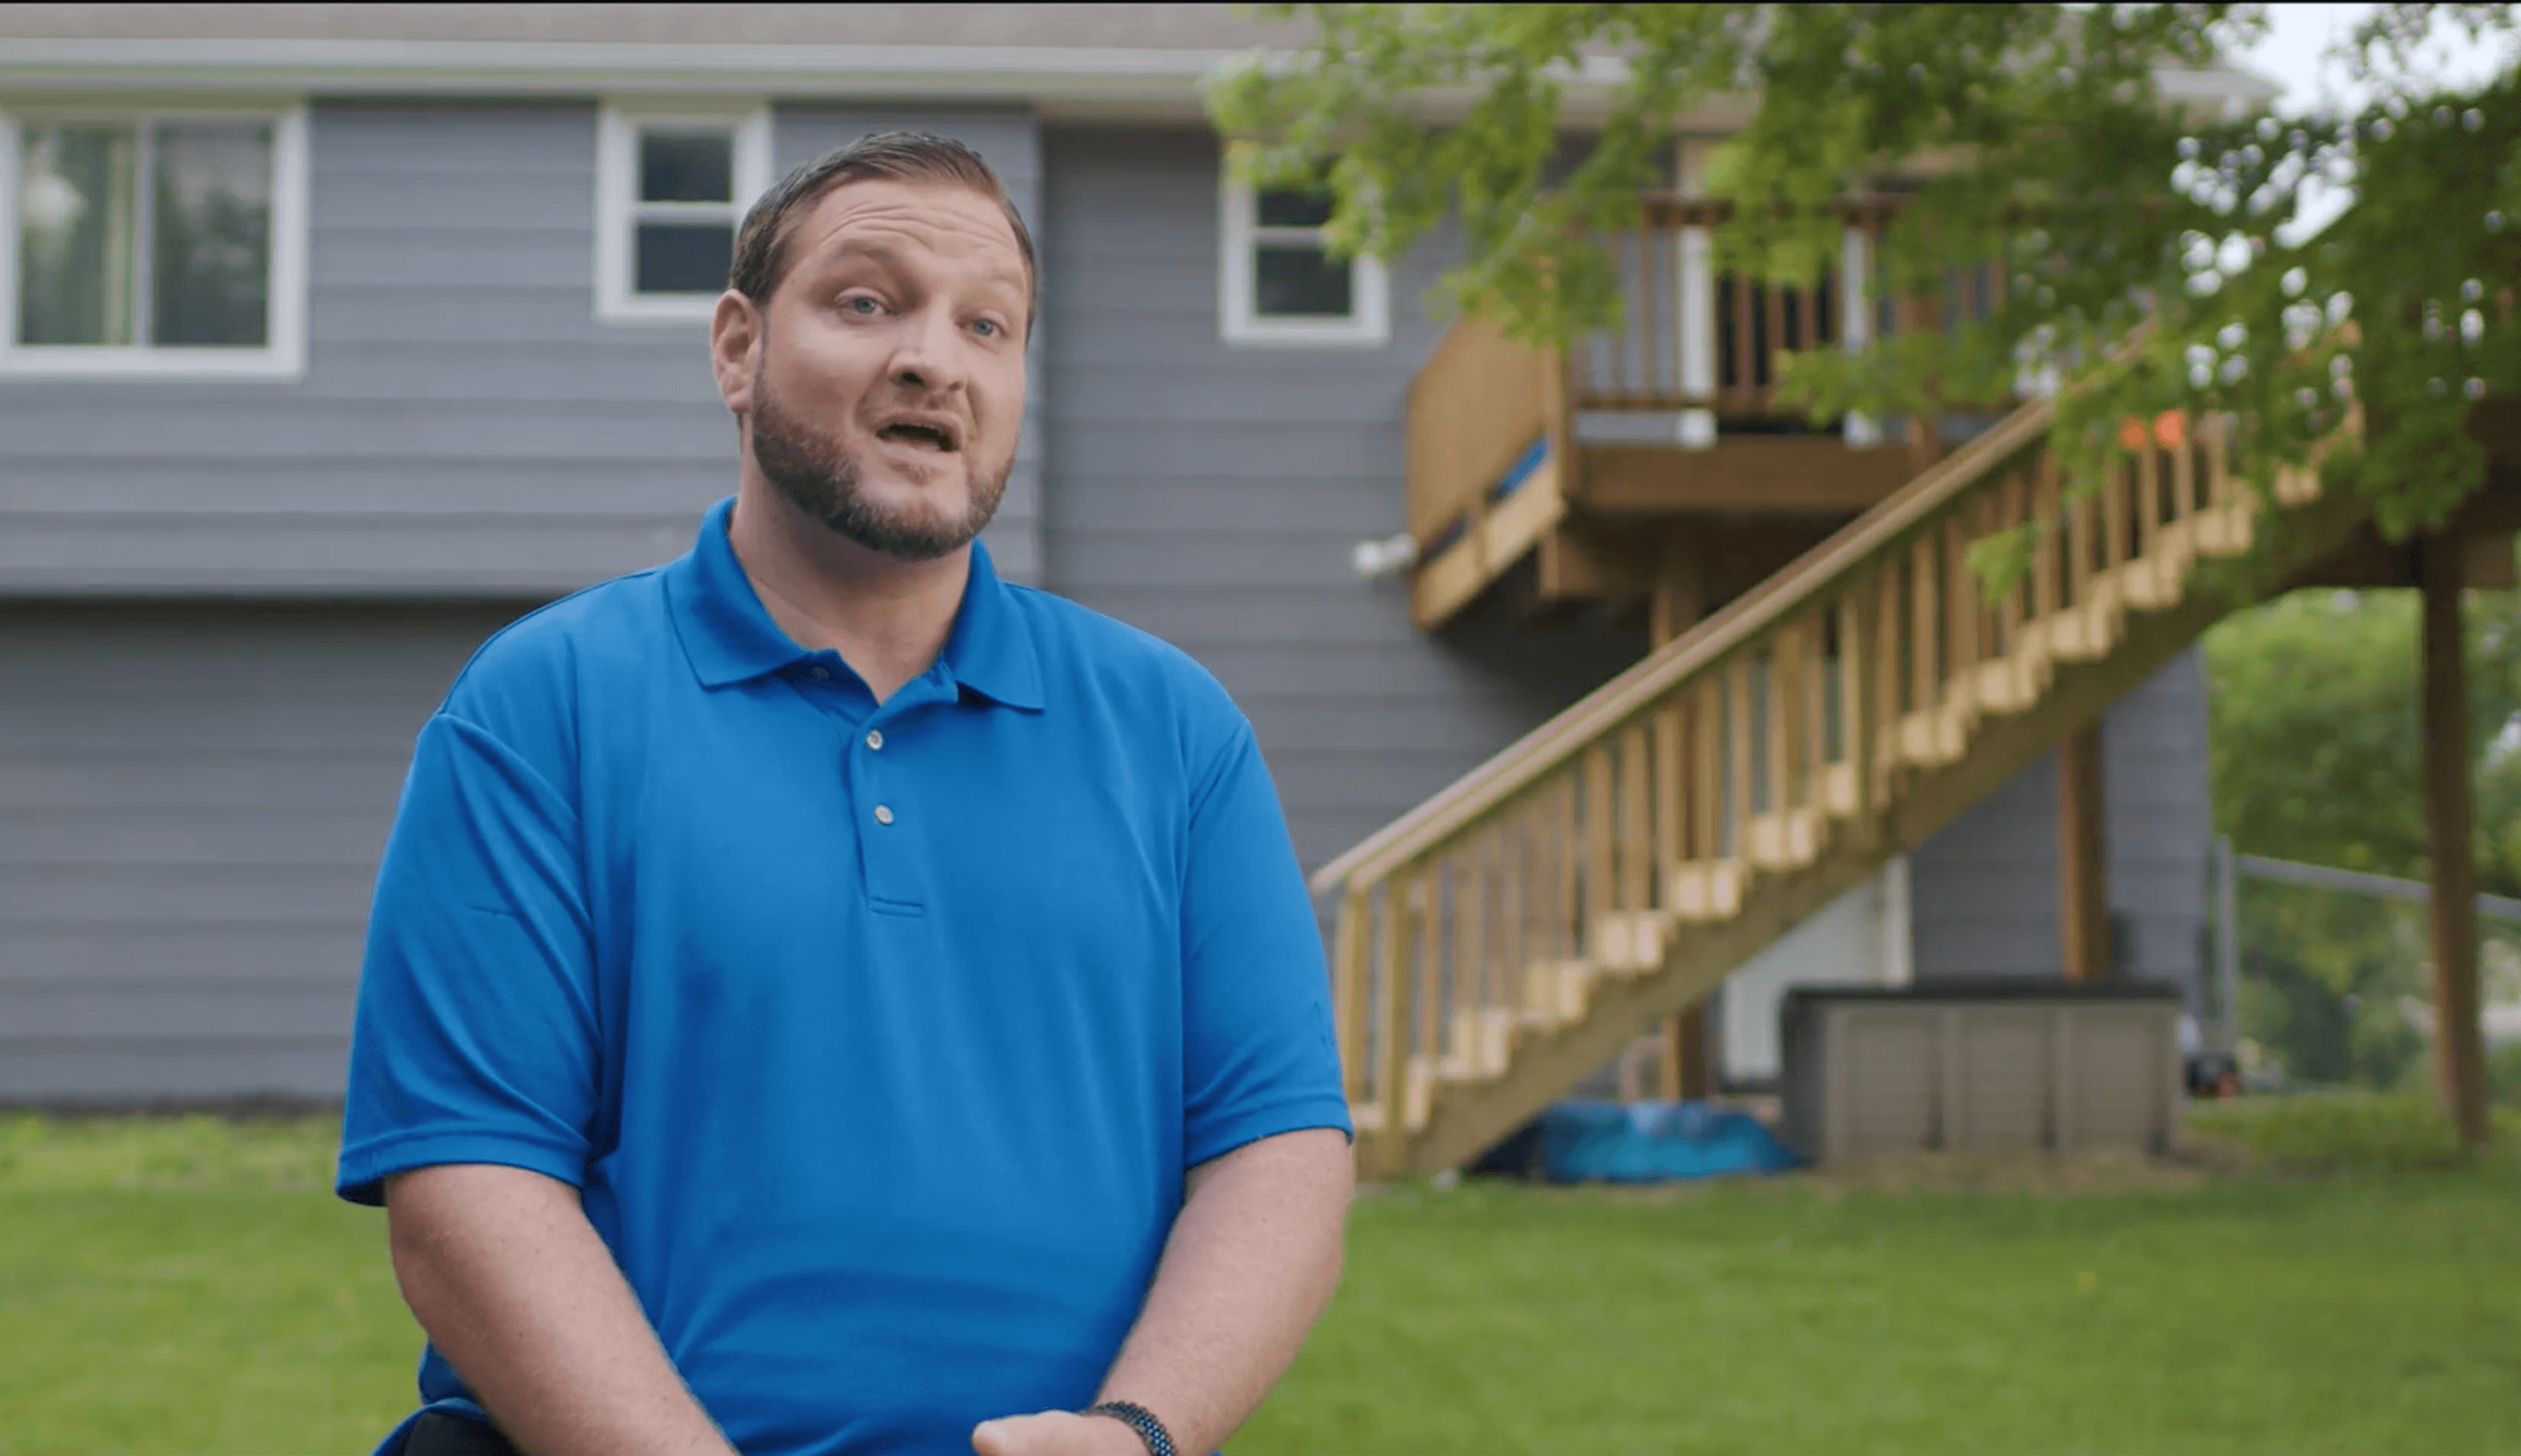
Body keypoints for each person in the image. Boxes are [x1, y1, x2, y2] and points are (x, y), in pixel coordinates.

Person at [336, 131, 1355, 1456]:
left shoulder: (1173, 731)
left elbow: (1278, 1150)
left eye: (988, 325)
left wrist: (1137, 1433)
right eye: (869, 302)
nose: (935, 358)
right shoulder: (543, 708)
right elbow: (468, 1186)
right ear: (738, 349)